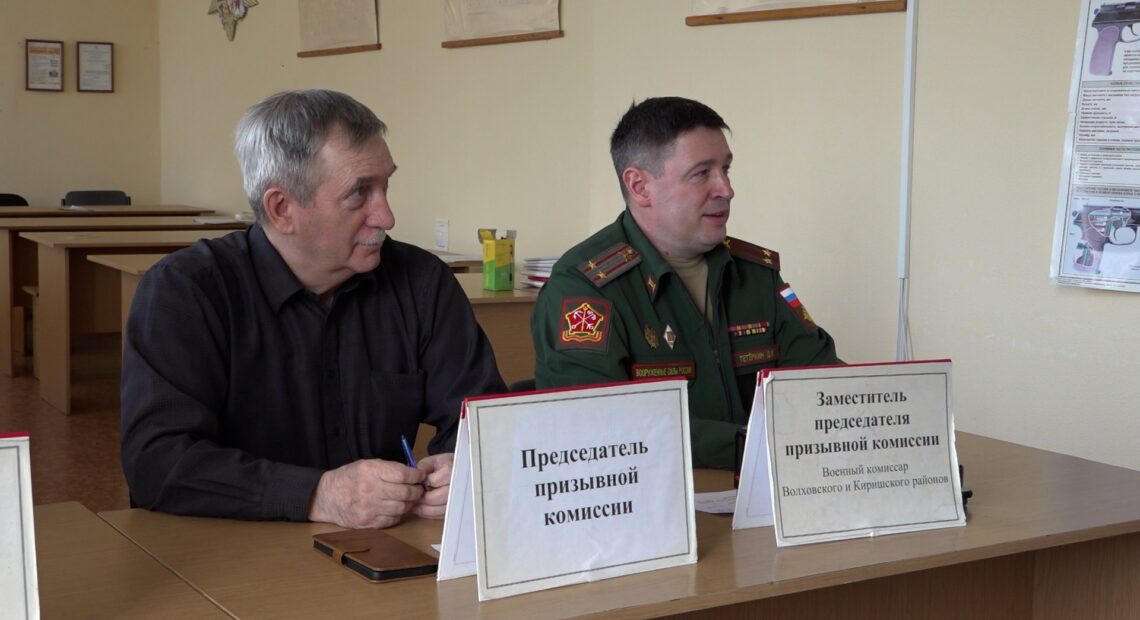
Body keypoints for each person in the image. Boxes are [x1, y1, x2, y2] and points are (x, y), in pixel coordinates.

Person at [121, 89, 506, 528]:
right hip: (230, 547)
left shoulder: (422, 283)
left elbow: (484, 417)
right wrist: (317, 495)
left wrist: (463, 464)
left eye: (385, 186)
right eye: (359, 193)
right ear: (282, 209)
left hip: (383, 547)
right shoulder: (186, 292)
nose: (386, 216)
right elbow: (157, 462)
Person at [531, 97, 841, 469]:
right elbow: (597, 427)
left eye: (726, 169)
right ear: (640, 186)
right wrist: (752, 445)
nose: (726, 189)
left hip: (766, 486)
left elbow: (824, 385)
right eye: (702, 173)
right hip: (657, 497)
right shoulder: (586, 289)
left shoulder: (755, 275)